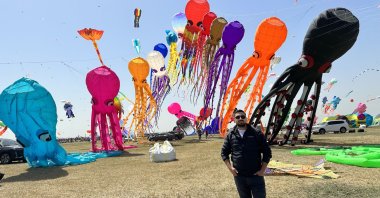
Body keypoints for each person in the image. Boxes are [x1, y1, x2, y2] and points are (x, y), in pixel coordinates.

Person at [221, 109, 272, 198]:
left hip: (256, 175)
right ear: (234, 119)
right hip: (239, 177)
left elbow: (267, 152)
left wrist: (262, 170)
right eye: (238, 117)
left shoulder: (257, 133)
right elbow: (224, 153)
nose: (240, 118)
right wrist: (231, 169)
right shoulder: (231, 134)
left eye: (243, 116)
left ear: (246, 118)